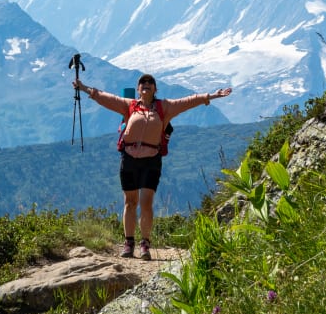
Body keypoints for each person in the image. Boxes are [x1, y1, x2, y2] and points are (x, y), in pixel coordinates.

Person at [73, 73, 232, 260]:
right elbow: (105, 98)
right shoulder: (129, 105)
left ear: (155, 89)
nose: (146, 84)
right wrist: (83, 88)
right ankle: (129, 242)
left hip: (151, 160)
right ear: (138, 89)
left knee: (146, 203)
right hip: (129, 158)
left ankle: (145, 244)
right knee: (130, 202)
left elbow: (188, 101)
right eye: (143, 82)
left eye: (150, 82)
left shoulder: (164, 107)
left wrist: (211, 96)